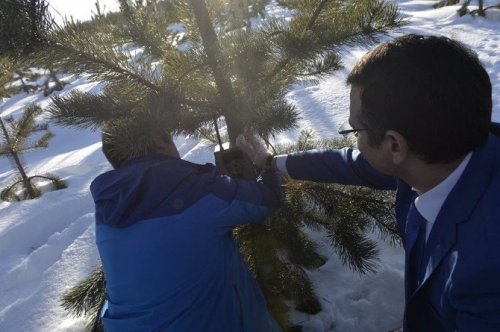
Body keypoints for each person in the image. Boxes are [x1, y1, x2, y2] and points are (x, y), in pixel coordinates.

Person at [238, 34, 500, 331]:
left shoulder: (485, 271)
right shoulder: (444, 150)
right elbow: (348, 163)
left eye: (356, 131)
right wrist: (273, 161)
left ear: (394, 146)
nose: (357, 143)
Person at [90, 123, 282, 331]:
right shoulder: (196, 190)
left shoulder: (108, 210)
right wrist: (263, 161)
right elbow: (269, 199)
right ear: (157, 141)